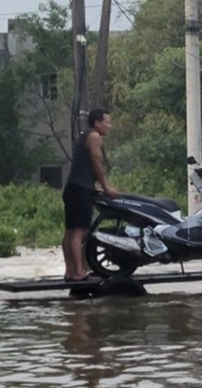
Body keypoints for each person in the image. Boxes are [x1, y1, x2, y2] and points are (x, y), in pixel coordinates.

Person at [62, 108, 119, 282]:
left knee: (71, 232)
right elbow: (96, 162)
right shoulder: (94, 137)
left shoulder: (86, 135)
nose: (110, 126)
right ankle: (79, 272)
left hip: (74, 188)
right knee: (80, 231)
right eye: (107, 122)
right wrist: (106, 187)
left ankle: (70, 272)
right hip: (80, 189)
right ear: (97, 123)